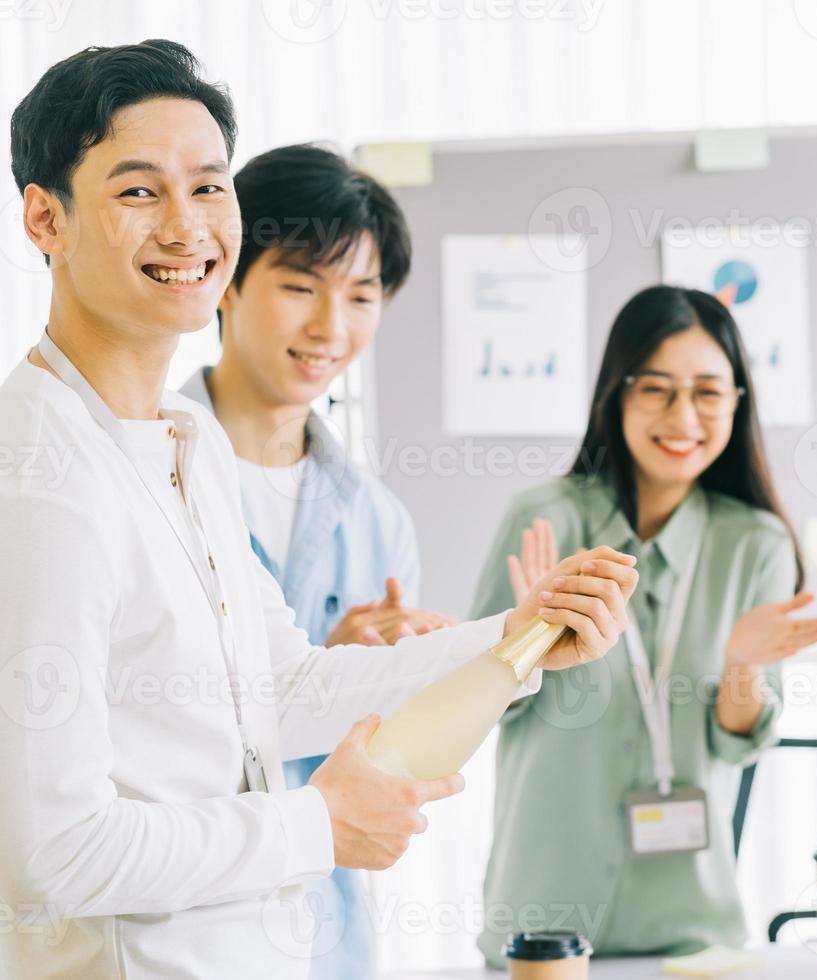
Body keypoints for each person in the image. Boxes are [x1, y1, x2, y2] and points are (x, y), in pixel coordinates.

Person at [0, 39, 637, 978]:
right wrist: (317, 824)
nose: (187, 227)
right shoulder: (36, 481)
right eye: (139, 192)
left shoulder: (183, 437)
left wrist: (519, 637)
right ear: (44, 219)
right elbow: (51, 858)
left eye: (210, 187)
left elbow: (287, 688)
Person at [469, 285, 817, 964]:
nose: (683, 417)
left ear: (737, 403)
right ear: (618, 392)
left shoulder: (756, 544)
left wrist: (743, 665)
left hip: (689, 920)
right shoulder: (543, 519)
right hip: (544, 909)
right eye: (657, 390)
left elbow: (738, 746)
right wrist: (518, 650)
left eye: (708, 392)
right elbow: (473, 711)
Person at [179, 141, 455, 977]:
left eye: (362, 296)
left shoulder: (378, 520)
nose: (331, 328)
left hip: (327, 930)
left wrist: (406, 683)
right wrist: (316, 675)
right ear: (225, 279)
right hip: (188, 921)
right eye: (300, 285)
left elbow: (397, 764)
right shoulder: (145, 474)